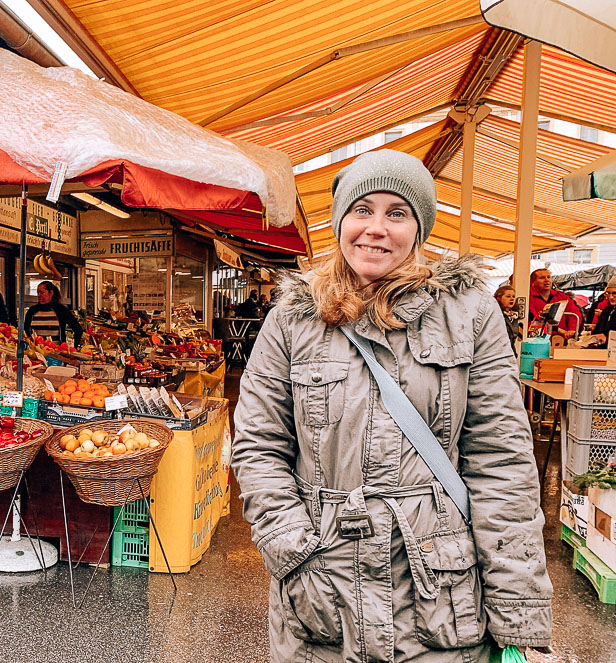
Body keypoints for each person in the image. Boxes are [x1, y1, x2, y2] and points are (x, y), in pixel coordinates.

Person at [232, 150, 551, 663]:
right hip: (321, 589)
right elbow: (257, 446)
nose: (376, 229)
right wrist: (292, 550)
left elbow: (502, 463)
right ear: (339, 221)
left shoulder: (469, 314)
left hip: (438, 594)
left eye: (396, 213)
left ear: (419, 226)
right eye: (362, 210)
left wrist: (517, 607)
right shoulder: (293, 319)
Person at [24, 281, 83, 347]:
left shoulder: (61, 310)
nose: (39, 295)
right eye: (38, 293)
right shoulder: (32, 311)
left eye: (42, 292)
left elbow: (78, 329)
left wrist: (74, 347)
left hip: (57, 353)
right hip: (36, 352)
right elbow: (25, 330)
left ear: (51, 293)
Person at [528, 268, 581, 339]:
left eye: (548, 277)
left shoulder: (562, 297)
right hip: (536, 339)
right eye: (542, 278)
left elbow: (574, 313)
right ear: (533, 282)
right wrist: (559, 330)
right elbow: (535, 320)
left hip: (561, 339)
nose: (547, 280)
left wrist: (572, 329)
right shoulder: (528, 298)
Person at [493, 284, 523, 355]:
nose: (512, 299)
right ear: (498, 298)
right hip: (496, 353)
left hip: (509, 353)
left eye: (513, 296)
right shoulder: (494, 314)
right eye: (508, 296)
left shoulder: (514, 316)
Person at [590, 276, 616, 347]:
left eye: (614, 293)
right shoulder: (607, 310)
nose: (611, 297)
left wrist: (606, 336)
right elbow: (599, 330)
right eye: (608, 293)